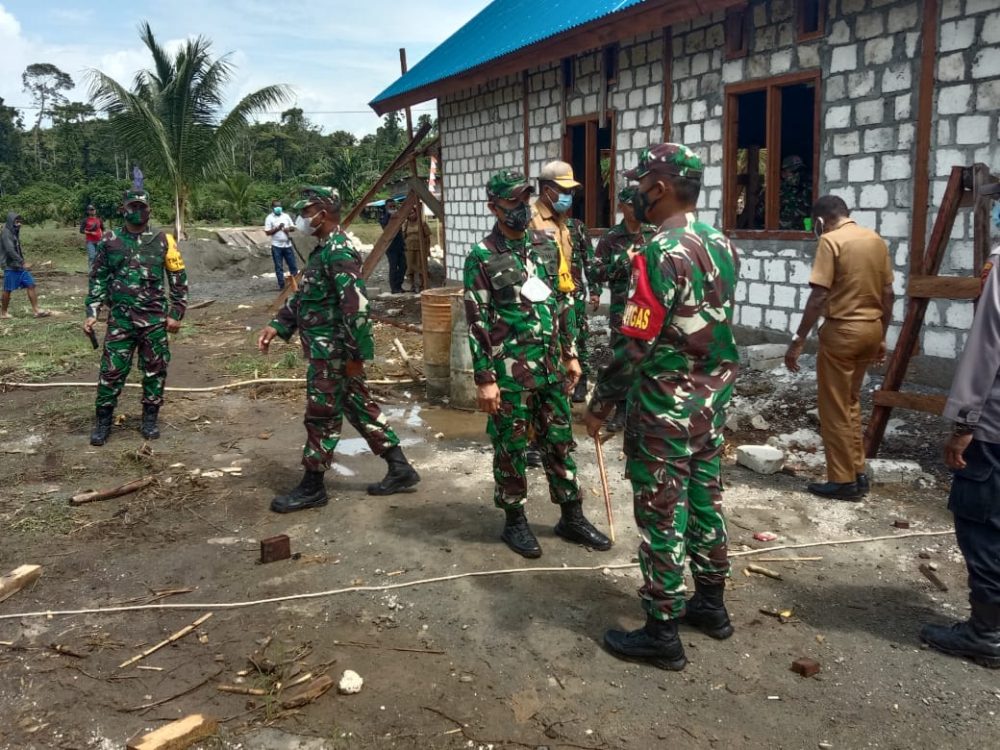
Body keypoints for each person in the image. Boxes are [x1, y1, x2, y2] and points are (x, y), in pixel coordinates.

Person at [584, 144, 740, 671]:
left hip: (665, 409)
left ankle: (661, 630)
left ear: (663, 186)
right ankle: (712, 607)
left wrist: (601, 404)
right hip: (710, 402)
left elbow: (634, 344)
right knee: (705, 501)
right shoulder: (719, 241)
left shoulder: (658, 251)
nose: (638, 192)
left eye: (643, 182)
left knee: (660, 513)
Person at [464, 170, 611, 558]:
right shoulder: (482, 256)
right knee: (511, 448)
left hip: (550, 368)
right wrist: (484, 379)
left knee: (560, 442)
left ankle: (571, 516)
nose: (521, 208)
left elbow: (561, 303)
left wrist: (571, 353)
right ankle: (515, 521)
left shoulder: (546, 245)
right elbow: (476, 320)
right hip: (510, 374)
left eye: (525, 199)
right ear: (494, 207)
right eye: (512, 202)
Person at [258, 186, 420, 513]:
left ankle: (313, 485)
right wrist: (278, 325)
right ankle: (400, 468)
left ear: (325, 212)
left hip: (334, 353)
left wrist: (356, 358)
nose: (303, 218)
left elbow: (356, 309)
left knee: (321, 414)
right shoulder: (324, 251)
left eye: (307, 212)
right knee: (359, 406)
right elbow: (306, 296)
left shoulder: (340, 252)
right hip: (327, 349)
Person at [920, 202, 1000, 669]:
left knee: (984, 524)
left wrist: (964, 423)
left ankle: (986, 634)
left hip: (994, 429)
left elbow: (986, 347)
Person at [784, 195, 894, 499]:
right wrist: (882, 335)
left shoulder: (830, 241)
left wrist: (798, 339)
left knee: (833, 408)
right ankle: (857, 473)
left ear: (820, 221)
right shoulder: (875, 240)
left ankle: (842, 480)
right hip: (871, 329)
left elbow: (818, 296)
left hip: (843, 331)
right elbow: (889, 294)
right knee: (851, 402)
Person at [83, 186, 187, 445]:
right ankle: (103, 421)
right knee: (111, 372)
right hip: (121, 321)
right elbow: (98, 278)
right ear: (123, 209)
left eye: (142, 207)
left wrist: (176, 312)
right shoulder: (110, 241)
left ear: (149, 210)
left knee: (155, 370)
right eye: (133, 207)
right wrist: (92, 311)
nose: (138, 211)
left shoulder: (164, 240)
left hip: (154, 321)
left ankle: (149, 419)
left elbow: (178, 279)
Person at [591, 186, 656, 432]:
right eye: (632, 204)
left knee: (644, 358)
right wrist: (622, 261)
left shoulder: (653, 234)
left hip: (647, 308)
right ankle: (620, 410)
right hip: (622, 309)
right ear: (622, 206)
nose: (637, 207)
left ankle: (639, 410)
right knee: (620, 359)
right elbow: (595, 272)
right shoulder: (611, 238)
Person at [530, 160, 595, 404]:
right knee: (541, 378)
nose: (569, 196)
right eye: (564, 190)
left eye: (571, 191)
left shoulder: (563, 222)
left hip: (562, 304)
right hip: (538, 311)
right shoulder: (530, 219)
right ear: (547, 189)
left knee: (563, 373)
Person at [1, 212, 50, 319]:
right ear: (11, 222)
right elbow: (10, 250)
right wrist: (22, 262)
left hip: (18, 266)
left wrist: (21, 262)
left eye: (20, 222)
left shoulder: (14, 232)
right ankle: (3, 312)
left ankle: (36, 310)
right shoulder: (6, 233)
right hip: (10, 266)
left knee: (30, 284)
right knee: (8, 289)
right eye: (17, 222)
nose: (19, 224)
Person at [264, 199, 297, 290]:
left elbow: (293, 227)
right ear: (273, 208)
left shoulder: (286, 216)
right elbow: (267, 232)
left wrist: (288, 229)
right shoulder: (269, 218)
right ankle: (282, 286)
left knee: (292, 265)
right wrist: (278, 228)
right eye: (276, 207)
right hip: (276, 246)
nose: (278, 208)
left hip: (287, 245)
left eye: (279, 206)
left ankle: (295, 284)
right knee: (279, 266)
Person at [779, 155, 813, 231]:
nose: (797, 174)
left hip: (802, 237)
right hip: (780, 237)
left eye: (800, 171)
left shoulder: (808, 190)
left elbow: (810, 215)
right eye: (793, 171)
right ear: (783, 174)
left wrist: (808, 231)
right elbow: (759, 217)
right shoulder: (774, 193)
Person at [403, 203, 431, 293]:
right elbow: (403, 236)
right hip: (409, 249)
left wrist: (428, 249)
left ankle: (423, 286)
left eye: (413, 213)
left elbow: (427, 237)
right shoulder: (406, 224)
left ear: (416, 213)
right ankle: (412, 286)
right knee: (410, 268)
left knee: (421, 267)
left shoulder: (422, 223)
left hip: (420, 249)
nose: (411, 215)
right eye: (409, 213)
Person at [381, 198, 406, 294]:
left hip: (400, 245)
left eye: (394, 206)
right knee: (393, 267)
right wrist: (388, 214)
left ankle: (399, 285)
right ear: (386, 207)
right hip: (390, 247)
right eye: (390, 207)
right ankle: (394, 288)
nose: (392, 208)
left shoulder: (398, 216)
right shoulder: (383, 216)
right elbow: (384, 225)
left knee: (404, 266)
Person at [79, 204, 104, 270]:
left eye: (93, 209)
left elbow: (102, 229)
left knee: (99, 257)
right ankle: (91, 272)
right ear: (88, 211)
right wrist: (90, 233)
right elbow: (81, 230)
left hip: (99, 241)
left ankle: (98, 272)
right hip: (90, 242)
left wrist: (103, 237)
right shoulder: (85, 220)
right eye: (91, 210)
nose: (93, 211)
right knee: (92, 257)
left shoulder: (99, 220)